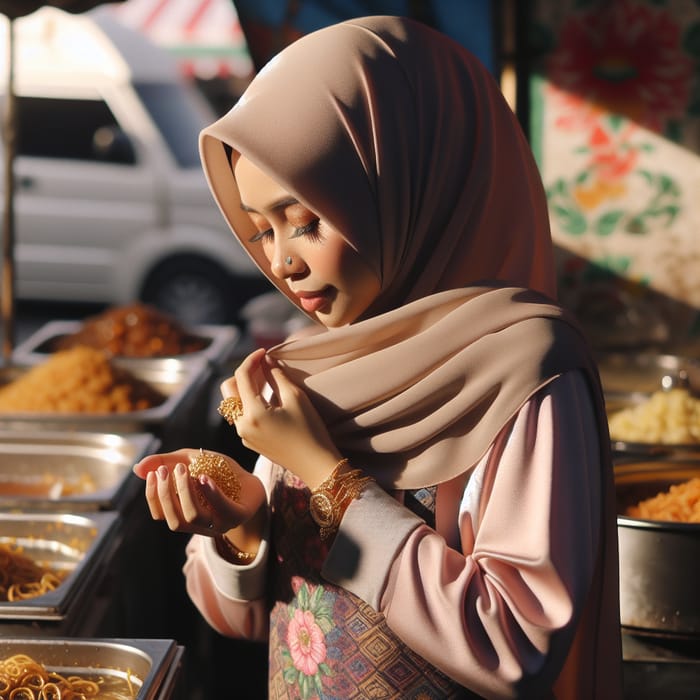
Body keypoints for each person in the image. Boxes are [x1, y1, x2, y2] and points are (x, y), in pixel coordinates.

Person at [133, 15, 623, 699]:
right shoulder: (320, 366)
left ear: (408, 185)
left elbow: (515, 643)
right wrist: (242, 526)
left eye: (304, 221)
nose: (281, 261)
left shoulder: (525, 373)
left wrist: (325, 477)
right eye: (260, 230)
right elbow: (245, 620)